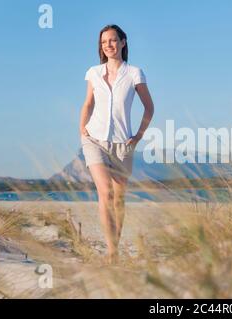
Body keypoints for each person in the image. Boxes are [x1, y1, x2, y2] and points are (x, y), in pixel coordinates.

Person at [79, 24, 154, 264]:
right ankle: (111, 251)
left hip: (123, 143)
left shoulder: (134, 73)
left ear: (123, 42)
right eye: (103, 42)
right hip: (94, 139)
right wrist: (82, 127)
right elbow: (88, 103)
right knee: (105, 192)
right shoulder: (93, 72)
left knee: (118, 199)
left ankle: (114, 250)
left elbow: (149, 107)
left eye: (112, 40)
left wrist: (139, 135)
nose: (108, 45)